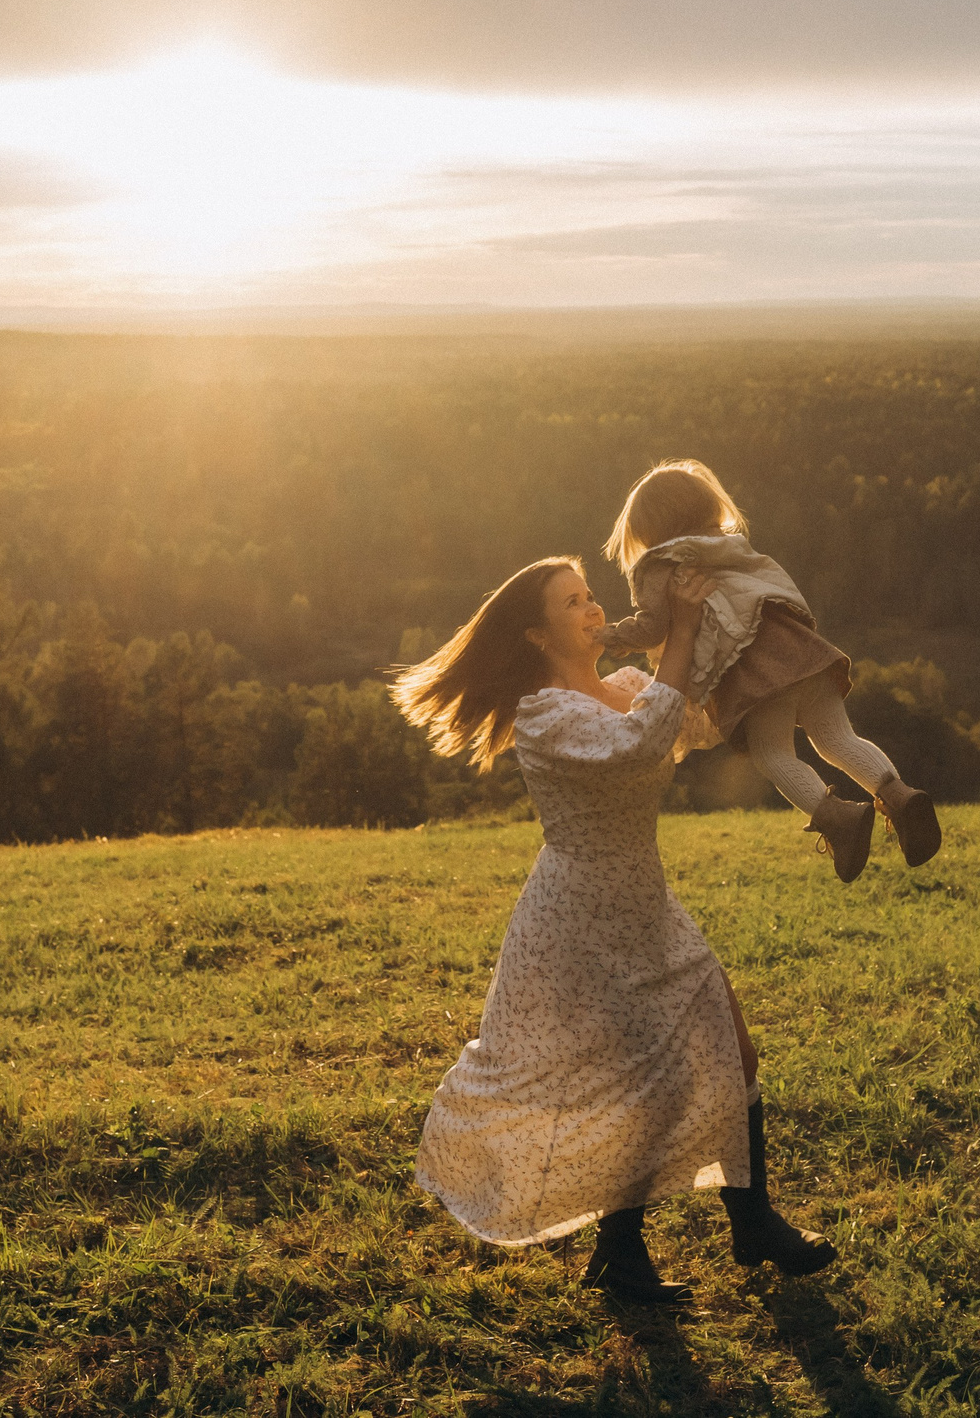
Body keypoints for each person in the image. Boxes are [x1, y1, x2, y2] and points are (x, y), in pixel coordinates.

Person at [391, 555, 836, 1305]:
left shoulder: (628, 687)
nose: (595, 609)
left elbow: (687, 718)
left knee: (729, 1047)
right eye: (574, 602)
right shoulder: (544, 715)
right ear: (537, 633)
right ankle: (640, 1249)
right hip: (579, 923)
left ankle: (736, 1225)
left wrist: (741, 630)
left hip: (645, 905)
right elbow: (636, 744)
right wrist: (684, 635)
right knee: (638, 1086)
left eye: (593, 594)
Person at [596, 458, 941, 883]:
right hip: (798, 648)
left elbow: (652, 626)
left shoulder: (660, 562)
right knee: (837, 738)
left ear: (648, 529)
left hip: (750, 671)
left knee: (773, 754)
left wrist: (612, 637)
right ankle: (898, 795)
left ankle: (840, 822)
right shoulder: (728, 544)